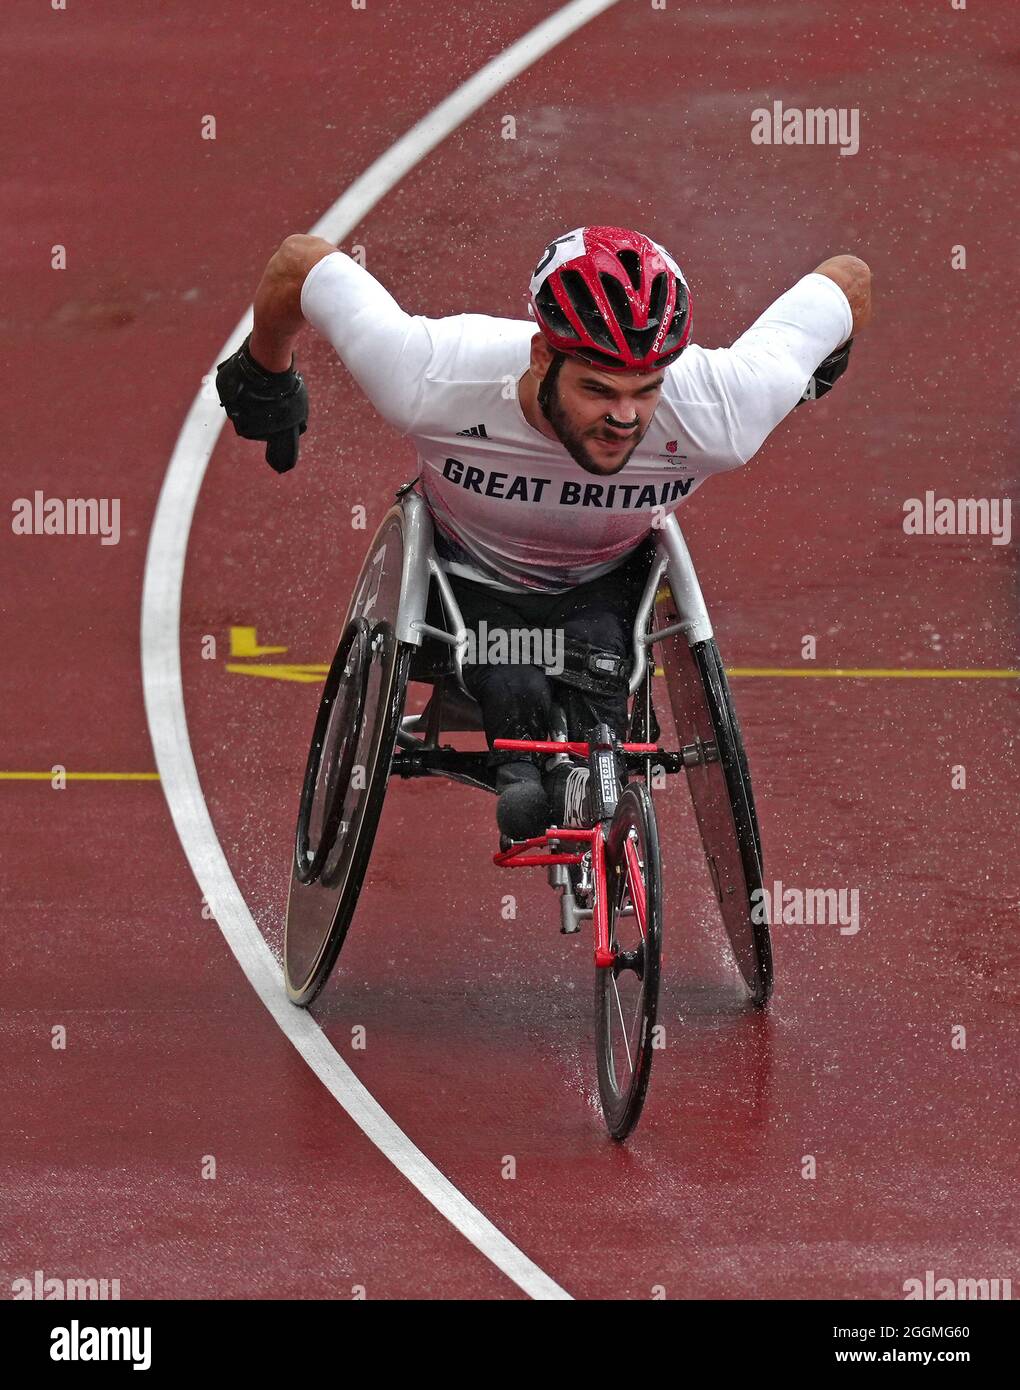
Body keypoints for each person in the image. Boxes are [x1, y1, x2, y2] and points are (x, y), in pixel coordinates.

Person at [217, 225, 871, 840]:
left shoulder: (722, 408)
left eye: (645, 391)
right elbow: (301, 263)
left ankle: (587, 779)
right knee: (516, 661)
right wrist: (264, 374)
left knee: (596, 657)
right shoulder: (432, 376)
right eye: (597, 389)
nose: (624, 417)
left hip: (608, 590)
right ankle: (522, 773)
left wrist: (816, 369)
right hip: (460, 584)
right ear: (540, 356)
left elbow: (848, 279)